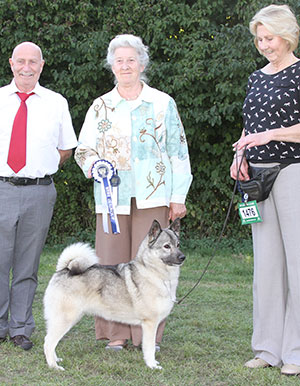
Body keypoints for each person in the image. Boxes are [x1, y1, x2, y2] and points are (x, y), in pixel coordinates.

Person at [75, 34, 192, 351]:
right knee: (110, 266)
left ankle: (147, 336)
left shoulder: (163, 103)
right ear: (111, 65)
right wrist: (94, 166)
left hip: (154, 195)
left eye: (131, 59)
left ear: (142, 63)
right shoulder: (100, 106)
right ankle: (116, 334)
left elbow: (178, 151)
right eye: (119, 60)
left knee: (154, 267)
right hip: (112, 199)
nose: (125, 66)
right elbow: (83, 150)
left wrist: (178, 195)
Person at [230, 4, 300, 376]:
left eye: (269, 38)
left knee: (298, 266)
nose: (264, 45)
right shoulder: (257, 78)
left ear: (287, 35)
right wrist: (240, 152)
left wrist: (271, 135)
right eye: (259, 39)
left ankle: (296, 352)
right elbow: (250, 124)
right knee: (267, 269)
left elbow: (276, 129)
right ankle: (267, 348)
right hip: (257, 178)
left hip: (293, 173)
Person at [0, 42, 77, 350]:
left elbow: (66, 148)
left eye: (33, 61)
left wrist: (38, 168)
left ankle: (20, 327)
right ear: (11, 63)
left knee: (27, 265)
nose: (27, 67)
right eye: (21, 61)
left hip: (39, 192)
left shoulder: (56, 102)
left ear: (42, 65)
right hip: (1, 188)